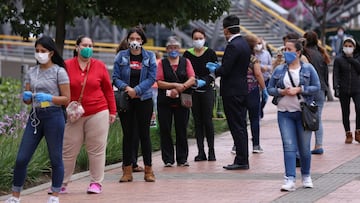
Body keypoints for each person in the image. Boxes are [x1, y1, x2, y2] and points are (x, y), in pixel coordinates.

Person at [6, 36, 70, 203]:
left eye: (43, 51)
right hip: (35, 117)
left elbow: (66, 99)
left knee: (55, 157)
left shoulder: (59, 71)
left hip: (54, 116)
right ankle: (15, 196)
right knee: (22, 158)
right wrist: (26, 97)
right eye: (37, 51)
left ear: (51, 53)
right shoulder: (32, 72)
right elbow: (27, 100)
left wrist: (49, 97)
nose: (39, 54)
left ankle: (55, 195)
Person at [61, 36, 117, 194]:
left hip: (98, 111)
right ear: (77, 47)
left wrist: (112, 111)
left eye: (90, 45)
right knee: (69, 149)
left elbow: (108, 89)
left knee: (96, 149)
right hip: (74, 114)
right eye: (84, 45)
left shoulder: (99, 66)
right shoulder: (67, 65)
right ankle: (62, 182)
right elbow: (61, 87)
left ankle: (96, 183)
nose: (88, 48)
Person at [268, 39, 320, 191]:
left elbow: (316, 87)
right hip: (284, 114)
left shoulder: (308, 69)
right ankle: (289, 179)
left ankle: (306, 176)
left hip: (303, 114)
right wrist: (281, 92)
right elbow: (270, 88)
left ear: (298, 52)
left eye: (289, 49)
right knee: (288, 146)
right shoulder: (279, 70)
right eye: (285, 49)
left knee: (304, 148)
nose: (286, 52)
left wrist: (300, 89)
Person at [206, 15, 251, 170]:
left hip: (232, 91)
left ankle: (241, 159)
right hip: (242, 89)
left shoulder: (233, 45)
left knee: (236, 125)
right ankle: (243, 157)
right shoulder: (244, 43)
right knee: (241, 125)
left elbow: (226, 70)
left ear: (226, 30)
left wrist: (215, 69)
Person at [112, 27, 157, 182]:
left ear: (142, 40)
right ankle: (127, 170)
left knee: (144, 135)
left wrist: (137, 90)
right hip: (126, 100)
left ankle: (149, 170)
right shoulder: (121, 56)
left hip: (144, 99)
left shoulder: (149, 56)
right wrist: (127, 88)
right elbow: (115, 77)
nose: (135, 42)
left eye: (138, 39)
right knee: (128, 135)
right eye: (132, 39)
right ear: (128, 40)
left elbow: (152, 78)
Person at [156, 36, 196, 167]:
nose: (173, 50)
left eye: (176, 48)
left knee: (181, 129)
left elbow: (192, 78)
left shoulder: (186, 62)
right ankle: (168, 159)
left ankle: (182, 158)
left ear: (179, 49)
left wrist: (181, 88)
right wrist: (174, 85)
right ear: (167, 49)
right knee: (165, 129)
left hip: (183, 100)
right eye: (171, 48)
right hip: (164, 101)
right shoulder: (162, 63)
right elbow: (159, 82)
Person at [183, 28, 217, 162]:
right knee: (197, 122)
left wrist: (206, 80)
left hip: (207, 90)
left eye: (200, 38)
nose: (198, 41)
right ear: (192, 40)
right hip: (193, 91)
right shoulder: (187, 54)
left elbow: (215, 72)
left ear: (205, 38)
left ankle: (211, 151)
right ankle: (200, 151)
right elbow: (184, 71)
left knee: (208, 121)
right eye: (195, 38)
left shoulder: (210, 53)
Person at [115, 38, 144, 173]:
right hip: (127, 98)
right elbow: (116, 78)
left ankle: (130, 162)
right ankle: (130, 162)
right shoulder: (122, 60)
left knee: (132, 132)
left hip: (135, 98)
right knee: (132, 132)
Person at [303, 31, 331, 154]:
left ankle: (306, 146)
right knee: (317, 117)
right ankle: (318, 144)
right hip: (322, 89)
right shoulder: (321, 53)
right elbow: (325, 75)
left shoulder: (305, 54)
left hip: (310, 89)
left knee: (308, 117)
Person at [333, 37, 360, 144]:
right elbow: (336, 74)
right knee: (345, 112)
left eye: (350, 46)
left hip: (357, 88)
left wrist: (351, 59)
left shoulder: (358, 58)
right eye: (346, 46)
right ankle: (348, 133)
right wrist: (336, 88)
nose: (348, 48)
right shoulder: (339, 59)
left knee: (359, 109)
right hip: (344, 89)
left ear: (354, 47)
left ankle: (358, 131)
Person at [244, 34, 269, 153]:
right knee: (254, 119)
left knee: (241, 119)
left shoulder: (239, 57)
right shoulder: (254, 59)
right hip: (252, 90)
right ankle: (256, 145)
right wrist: (263, 88)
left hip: (240, 90)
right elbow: (258, 74)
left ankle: (237, 144)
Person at [254, 37, 272, 119]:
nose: (258, 45)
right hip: (255, 80)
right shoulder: (252, 54)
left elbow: (270, 65)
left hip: (266, 79)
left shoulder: (266, 54)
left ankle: (260, 108)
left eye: (260, 43)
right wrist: (259, 67)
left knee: (265, 98)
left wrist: (266, 68)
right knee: (257, 98)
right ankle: (257, 113)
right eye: (257, 43)